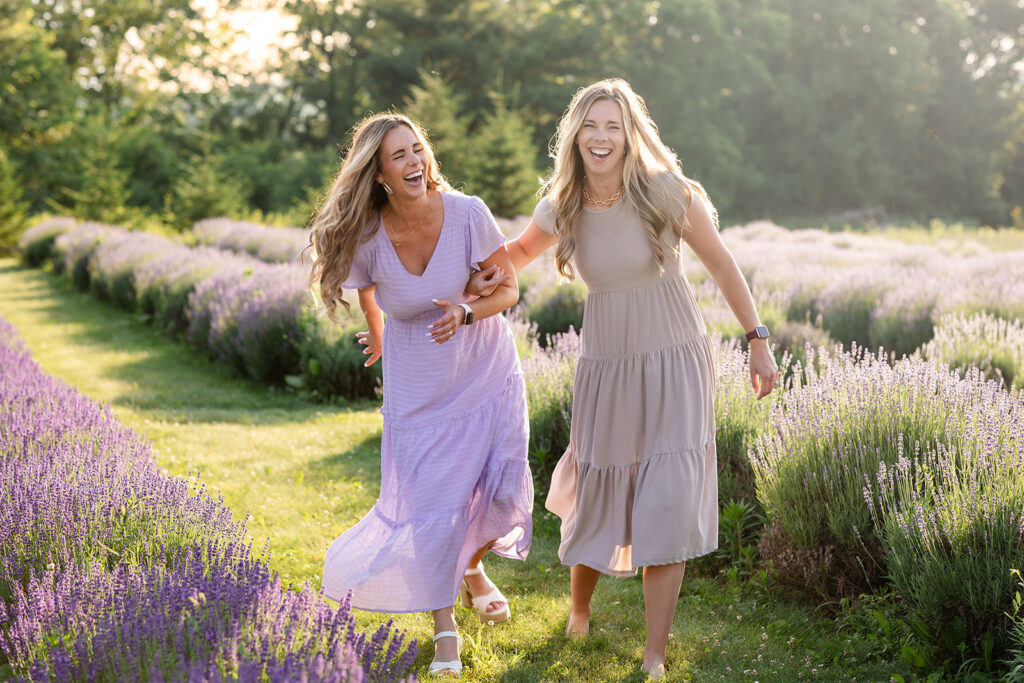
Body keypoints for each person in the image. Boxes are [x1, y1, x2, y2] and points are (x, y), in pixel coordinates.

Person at [468, 78, 779, 679]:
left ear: (631, 134)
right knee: (599, 482)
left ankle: (655, 655)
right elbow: (517, 254)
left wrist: (757, 340)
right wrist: (455, 281)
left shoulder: (667, 194)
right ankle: (579, 612)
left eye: (613, 125)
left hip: (674, 358)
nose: (601, 137)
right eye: (590, 125)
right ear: (575, 136)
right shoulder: (563, 204)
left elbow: (721, 263)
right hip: (608, 364)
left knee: (667, 494)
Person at [306, 112, 533, 677]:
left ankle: (472, 569)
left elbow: (508, 288)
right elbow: (370, 295)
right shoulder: (367, 235)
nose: (415, 162)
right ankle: (445, 631)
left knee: (502, 491)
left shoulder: (467, 213)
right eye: (400, 156)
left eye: (418, 150)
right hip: (418, 391)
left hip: (486, 372)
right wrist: (380, 334)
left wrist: (465, 309)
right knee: (432, 507)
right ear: (379, 174)